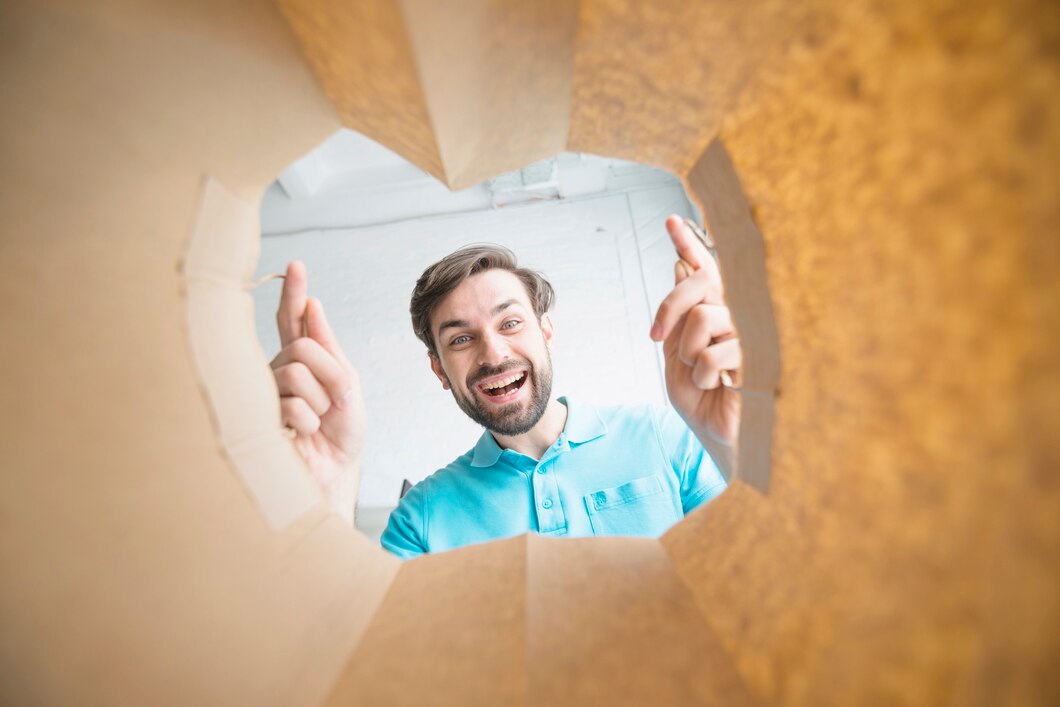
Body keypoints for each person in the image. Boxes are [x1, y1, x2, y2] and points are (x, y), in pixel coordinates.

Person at [269, 215, 742, 558]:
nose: (493, 354)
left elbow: (764, 576)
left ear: (546, 332)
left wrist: (738, 442)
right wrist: (330, 489)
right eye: (461, 339)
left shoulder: (665, 435)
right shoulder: (421, 519)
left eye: (510, 323)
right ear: (439, 370)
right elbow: (359, 657)